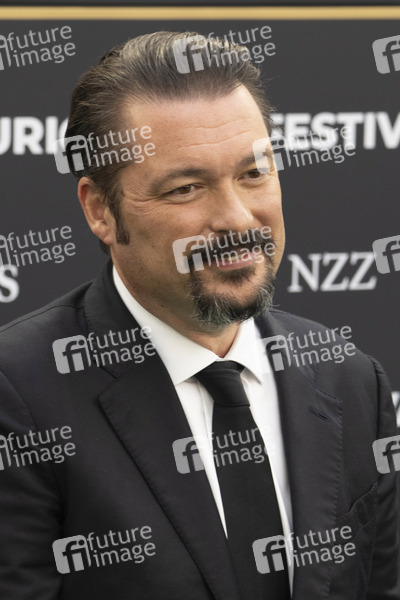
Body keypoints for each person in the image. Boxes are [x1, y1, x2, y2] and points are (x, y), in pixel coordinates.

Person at [0, 31, 398, 600]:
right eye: (186, 188)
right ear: (100, 210)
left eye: (254, 173)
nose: (237, 218)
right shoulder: (18, 394)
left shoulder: (351, 380)